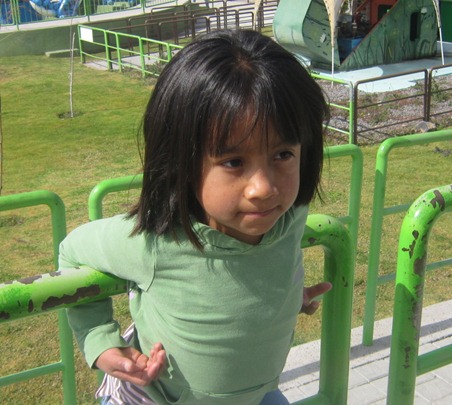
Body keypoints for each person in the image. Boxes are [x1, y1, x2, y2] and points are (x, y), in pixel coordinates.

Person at [59, 29, 332, 405]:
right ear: (181, 163)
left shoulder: (289, 219)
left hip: (255, 396)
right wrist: (100, 341)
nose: (264, 188)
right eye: (234, 162)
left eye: (283, 154)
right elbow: (72, 250)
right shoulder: (155, 243)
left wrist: (284, 297)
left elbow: (253, 275)